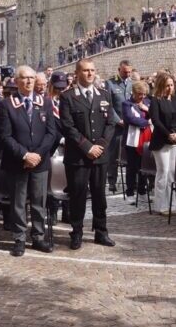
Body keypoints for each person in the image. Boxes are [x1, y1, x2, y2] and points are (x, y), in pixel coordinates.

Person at [0, 66, 57, 256]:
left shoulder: (45, 103)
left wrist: (37, 155)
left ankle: (38, 236)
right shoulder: (7, 105)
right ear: (16, 81)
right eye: (24, 78)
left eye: (32, 78)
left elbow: (51, 133)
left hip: (40, 162)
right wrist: (25, 155)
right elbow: (5, 136)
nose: (29, 81)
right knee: (18, 202)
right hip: (17, 162)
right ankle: (19, 239)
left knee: (39, 201)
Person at [58, 59, 116, 249]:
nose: (89, 74)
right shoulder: (67, 97)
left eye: (92, 70)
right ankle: (77, 232)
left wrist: (99, 146)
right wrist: (87, 147)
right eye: (85, 71)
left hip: (100, 156)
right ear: (77, 73)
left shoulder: (104, 95)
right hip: (78, 157)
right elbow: (68, 126)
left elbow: (110, 124)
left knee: (100, 195)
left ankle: (101, 231)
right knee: (78, 196)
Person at [149, 72, 176, 216]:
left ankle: (172, 204)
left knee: (172, 173)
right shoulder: (156, 101)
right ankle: (161, 205)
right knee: (163, 172)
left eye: (171, 85)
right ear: (161, 86)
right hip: (161, 141)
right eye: (166, 86)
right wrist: (168, 134)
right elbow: (156, 121)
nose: (169, 88)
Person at [105, 60, 133, 194]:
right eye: (125, 72)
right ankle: (112, 181)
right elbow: (107, 105)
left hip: (131, 125)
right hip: (116, 126)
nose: (127, 74)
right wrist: (117, 120)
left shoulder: (132, 84)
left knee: (130, 154)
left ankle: (130, 182)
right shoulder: (110, 83)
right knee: (113, 155)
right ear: (119, 70)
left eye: (129, 72)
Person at [122, 81, 152, 200]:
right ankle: (130, 192)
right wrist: (147, 122)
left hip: (145, 138)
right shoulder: (127, 104)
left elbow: (155, 115)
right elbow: (130, 119)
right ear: (134, 92)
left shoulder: (147, 102)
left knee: (143, 166)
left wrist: (147, 109)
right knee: (132, 167)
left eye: (144, 94)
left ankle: (142, 191)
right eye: (140, 94)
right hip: (132, 140)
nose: (142, 97)